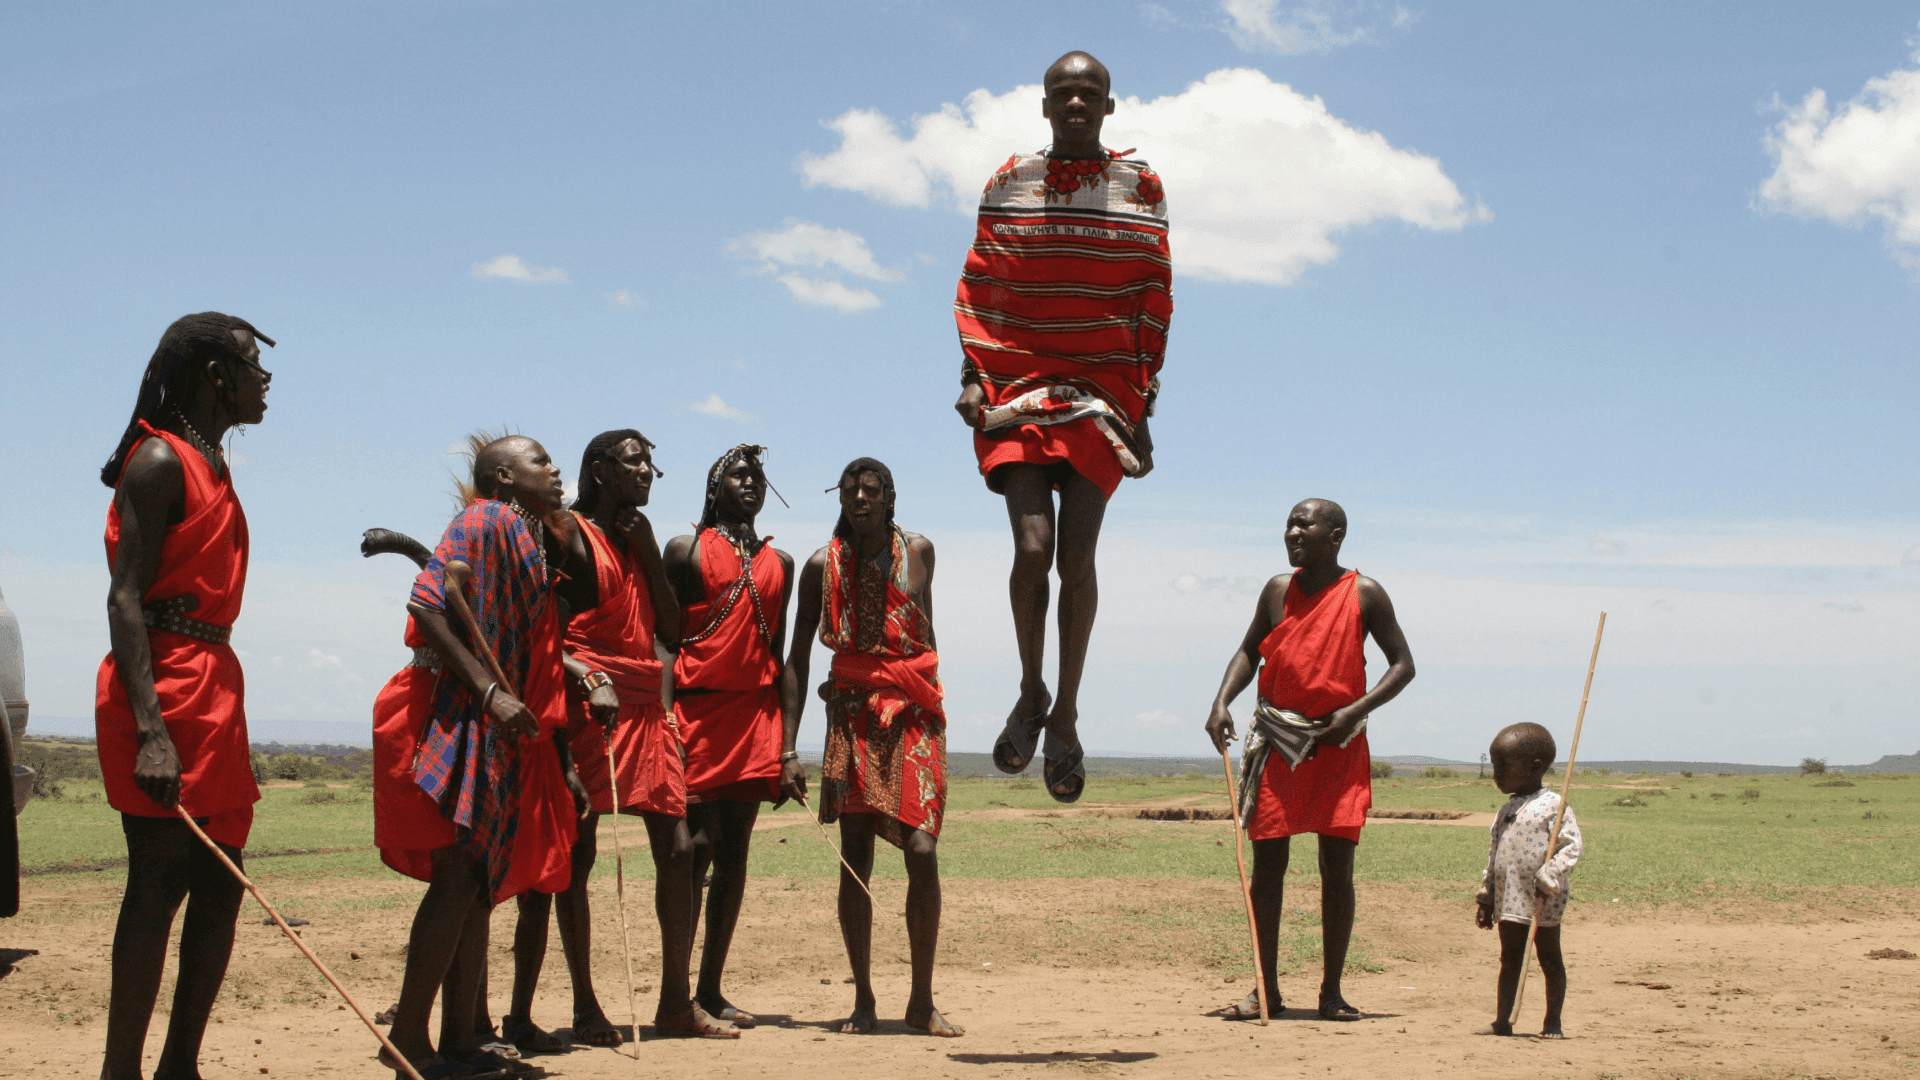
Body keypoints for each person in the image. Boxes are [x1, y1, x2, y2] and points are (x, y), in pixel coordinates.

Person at [953, 50, 1172, 802]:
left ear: (1109, 107)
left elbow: (1151, 292)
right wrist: (971, 378)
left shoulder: (1139, 186)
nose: (1076, 102)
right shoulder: (1009, 183)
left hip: (1103, 394)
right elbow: (982, 284)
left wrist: (1144, 403)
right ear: (1044, 105)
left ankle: (1069, 715)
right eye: (1063, 92)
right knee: (1031, 545)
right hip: (1017, 384)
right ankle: (1031, 690)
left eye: (1090, 93)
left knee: (1075, 559)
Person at [506, 429, 737, 1042]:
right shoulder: (561, 533)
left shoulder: (638, 539)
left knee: (682, 849)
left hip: (642, 706)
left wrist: (648, 550)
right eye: (635, 461)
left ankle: (673, 1004)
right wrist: (582, 678)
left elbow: (669, 631)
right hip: (586, 705)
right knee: (575, 857)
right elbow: (541, 630)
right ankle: (585, 1008)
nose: (648, 472)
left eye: (651, 463)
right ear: (600, 470)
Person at [93, 313, 274, 1080]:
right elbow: (125, 598)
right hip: (160, 685)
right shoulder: (161, 460)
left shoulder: (213, 464)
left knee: (223, 884)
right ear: (213, 374)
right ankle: (121, 1073)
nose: (263, 381)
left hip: (214, 684)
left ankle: (181, 1069)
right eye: (251, 365)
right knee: (158, 879)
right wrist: (152, 731)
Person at [384, 435, 589, 1078]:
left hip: (488, 718)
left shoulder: (519, 532)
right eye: (542, 461)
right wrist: (489, 691)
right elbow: (427, 599)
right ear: (504, 474)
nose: (556, 470)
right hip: (453, 709)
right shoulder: (485, 518)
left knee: (475, 884)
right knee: (457, 878)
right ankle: (409, 1042)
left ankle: (460, 1040)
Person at [1204, 499, 1415, 1022]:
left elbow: (1403, 665)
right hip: (1278, 741)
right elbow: (1250, 651)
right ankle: (1264, 989)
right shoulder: (1278, 590)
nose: (1292, 532)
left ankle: (1332, 992)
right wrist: (1221, 700)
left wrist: (1355, 710)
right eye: (1289, 524)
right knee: (1267, 866)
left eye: (1305, 523)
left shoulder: (1365, 593)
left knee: (1336, 868)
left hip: (1338, 744)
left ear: (1336, 534)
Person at [779, 458, 961, 1038]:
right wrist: (787, 749)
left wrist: (923, 691)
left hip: (911, 715)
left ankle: (922, 1000)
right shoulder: (819, 566)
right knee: (855, 857)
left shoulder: (922, 552)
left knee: (923, 850)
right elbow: (799, 660)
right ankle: (863, 999)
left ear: (889, 497)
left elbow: (926, 635)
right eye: (851, 490)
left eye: (871, 490)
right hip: (852, 716)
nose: (860, 497)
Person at [662, 444, 793, 1028]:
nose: (751, 483)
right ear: (714, 488)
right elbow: (665, 642)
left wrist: (788, 744)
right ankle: (676, 992)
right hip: (693, 714)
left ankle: (710, 989)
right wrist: (664, 717)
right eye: (739, 475)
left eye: (758, 476)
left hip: (754, 718)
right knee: (693, 851)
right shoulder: (684, 550)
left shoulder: (781, 562)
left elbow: (781, 653)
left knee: (735, 855)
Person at [1476, 722, 1582, 1039]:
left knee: (1549, 959)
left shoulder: (1554, 807)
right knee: (1509, 960)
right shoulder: (1506, 810)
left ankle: (1553, 1023)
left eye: (1503, 766)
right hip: (1508, 899)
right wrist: (1485, 897)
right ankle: (1502, 1021)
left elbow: (1571, 847)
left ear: (1534, 767)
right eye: (1494, 765)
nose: (1496, 773)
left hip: (1542, 900)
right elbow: (1494, 857)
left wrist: (1549, 876)